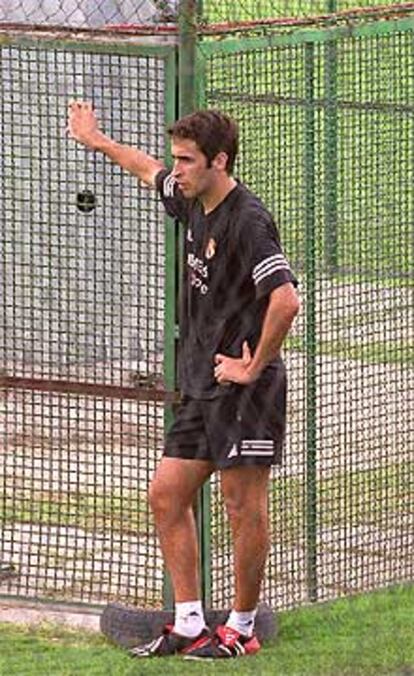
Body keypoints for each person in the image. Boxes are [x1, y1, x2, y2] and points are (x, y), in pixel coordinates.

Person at [68, 102, 300, 660]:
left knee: (241, 505)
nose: (178, 170)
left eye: (188, 160)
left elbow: (286, 299)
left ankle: (242, 628)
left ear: (219, 161)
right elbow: (145, 166)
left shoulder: (247, 220)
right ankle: (191, 623)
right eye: (178, 158)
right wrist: (96, 139)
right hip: (201, 384)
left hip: (245, 388)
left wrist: (253, 363)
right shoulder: (191, 199)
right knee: (167, 495)